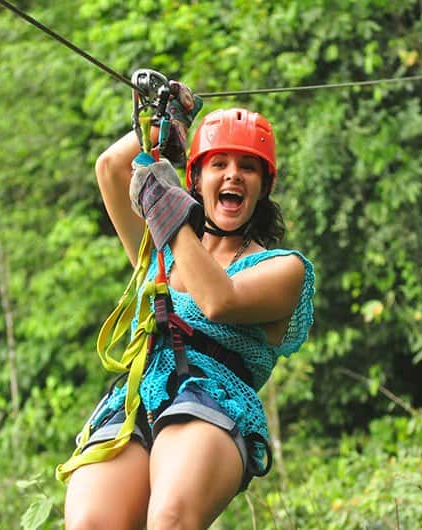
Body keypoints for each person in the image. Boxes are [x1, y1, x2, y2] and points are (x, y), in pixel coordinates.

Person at [60, 86, 316, 530]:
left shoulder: (284, 269)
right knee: (90, 522)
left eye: (248, 168)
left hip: (213, 398)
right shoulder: (161, 250)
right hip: (137, 397)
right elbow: (111, 167)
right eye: (219, 164)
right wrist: (165, 124)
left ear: (263, 186)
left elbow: (218, 300)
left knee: (171, 517)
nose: (233, 176)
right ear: (195, 178)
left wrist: (168, 213)